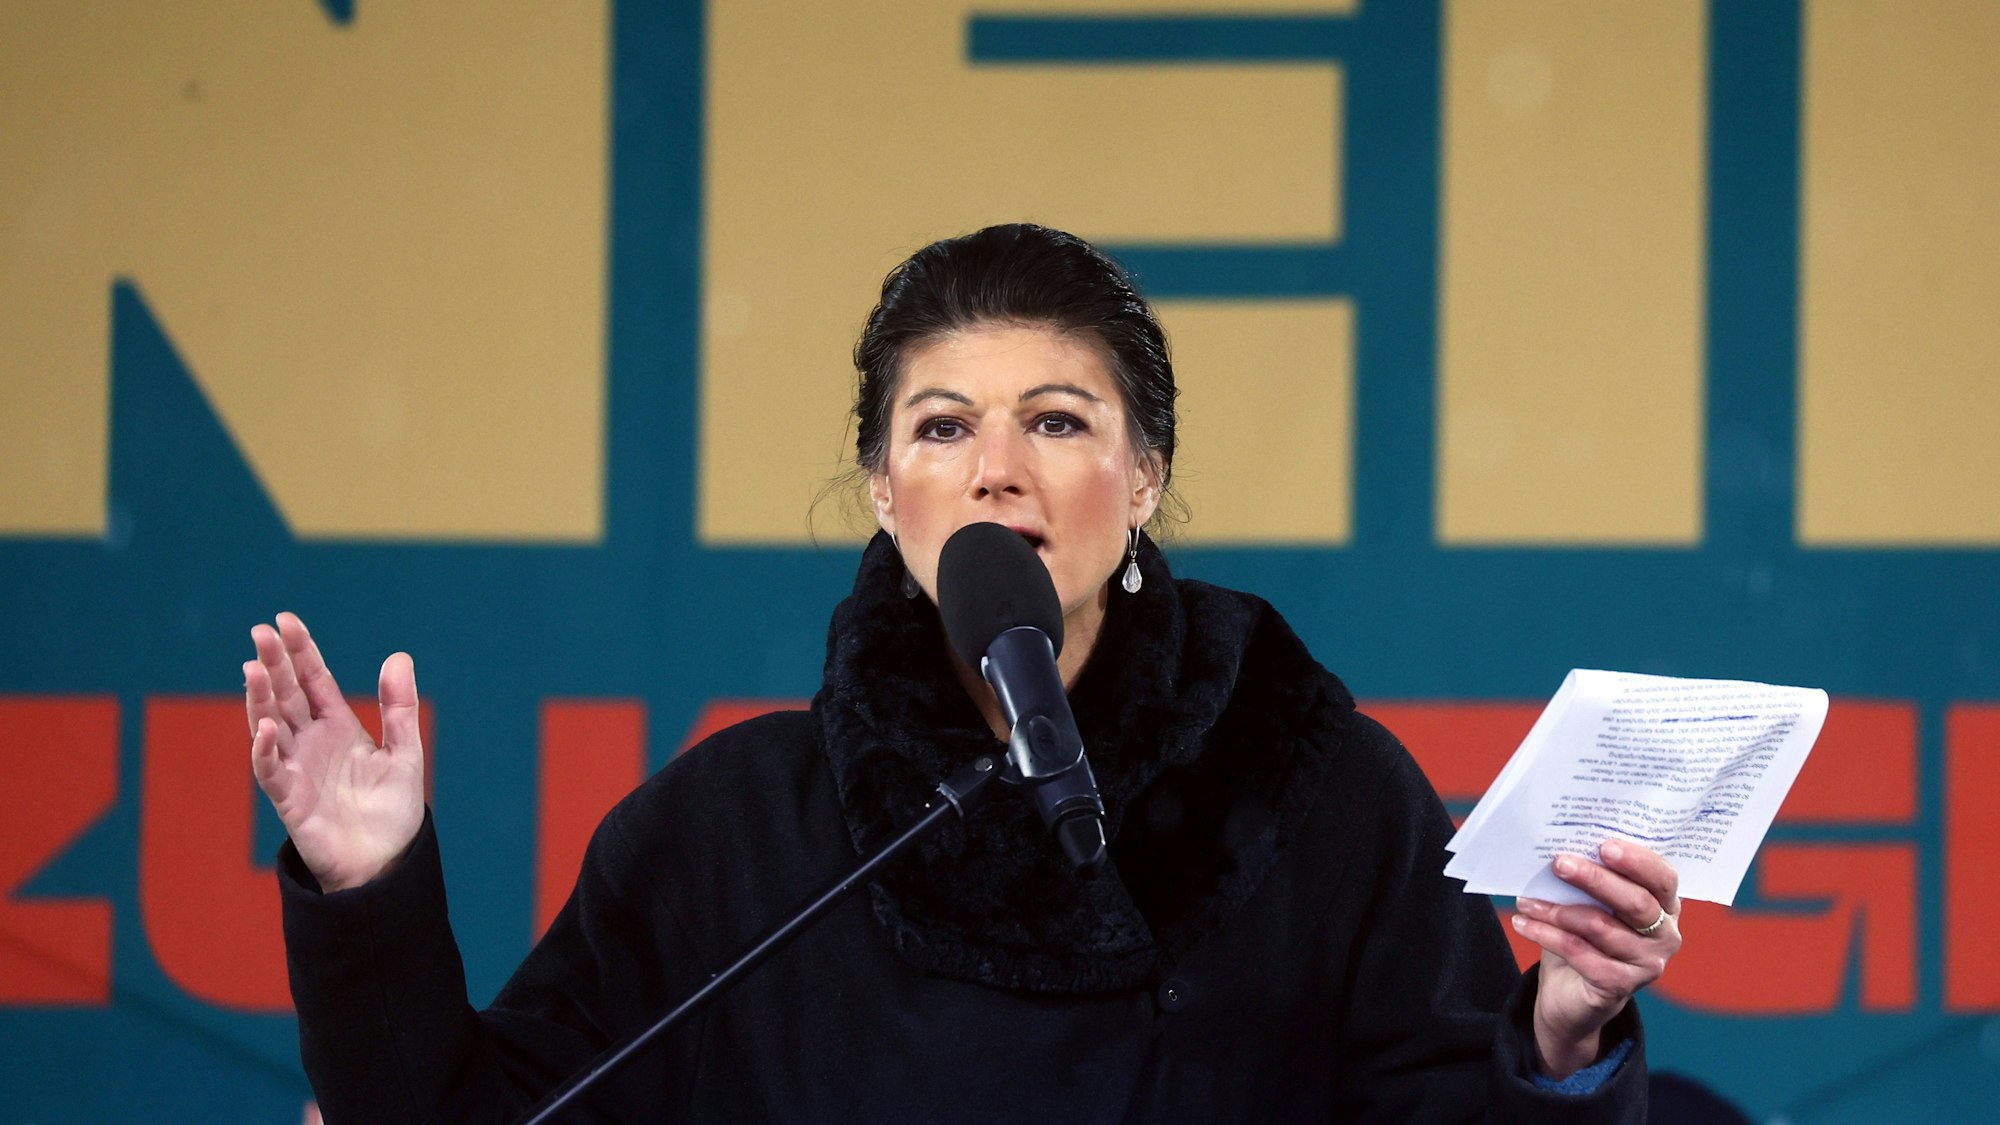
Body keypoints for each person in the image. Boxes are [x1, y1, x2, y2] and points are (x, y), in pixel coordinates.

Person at [246, 223, 1682, 1122]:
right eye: (940, 430)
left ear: (1145, 474)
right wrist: (368, 886)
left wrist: (1558, 1031)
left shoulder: (1318, 794)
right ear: (882, 487)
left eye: (1059, 420)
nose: (997, 470)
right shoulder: (730, 831)